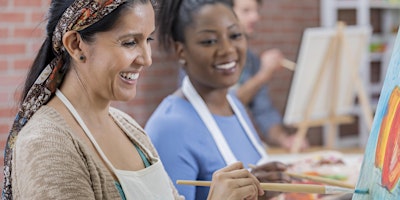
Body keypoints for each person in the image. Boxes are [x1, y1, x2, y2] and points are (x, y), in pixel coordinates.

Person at [2, 0, 266, 199]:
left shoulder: (127, 127)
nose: (146, 58)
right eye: (130, 42)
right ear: (76, 45)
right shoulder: (46, 144)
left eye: (148, 39)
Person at [145, 0, 291, 199]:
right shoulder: (169, 128)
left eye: (235, 35)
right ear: (181, 51)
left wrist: (260, 191)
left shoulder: (234, 105)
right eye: (209, 41)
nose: (228, 50)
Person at [232, 0, 308, 150]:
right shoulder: (208, 58)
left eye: (256, 11)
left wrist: (284, 139)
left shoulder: (251, 60)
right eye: (246, 11)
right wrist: (263, 75)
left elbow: (264, 112)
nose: (255, 17)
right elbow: (222, 106)